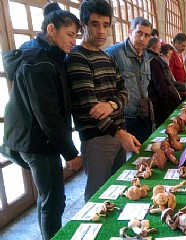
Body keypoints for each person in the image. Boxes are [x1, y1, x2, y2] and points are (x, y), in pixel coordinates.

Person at [3, 3, 82, 239]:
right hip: (37, 142)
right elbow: (48, 115)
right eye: (69, 35)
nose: (73, 41)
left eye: (76, 36)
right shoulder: (39, 61)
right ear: (51, 29)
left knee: (47, 199)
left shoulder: (42, 52)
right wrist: (70, 153)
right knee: (53, 201)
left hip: (31, 137)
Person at [65, 0, 141, 202]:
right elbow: (90, 107)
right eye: (95, 24)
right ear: (84, 25)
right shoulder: (77, 58)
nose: (101, 31)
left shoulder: (107, 57)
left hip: (118, 131)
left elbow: (124, 91)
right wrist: (119, 132)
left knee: (117, 189)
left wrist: (112, 104)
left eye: (105, 25)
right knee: (97, 196)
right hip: (97, 138)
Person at [106, 17, 153, 144]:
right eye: (139, 33)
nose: (142, 38)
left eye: (147, 35)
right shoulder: (113, 53)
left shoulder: (147, 56)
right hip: (123, 119)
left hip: (143, 116)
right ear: (130, 31)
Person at [147, 37, 181, 127]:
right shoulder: (153, 60)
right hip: (159, 100)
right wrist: (165, 100)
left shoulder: (153, 58)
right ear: (153, 48)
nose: (160, 51)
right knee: (165, 125)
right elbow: (160, 83)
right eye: (159, 48)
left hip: (159, 97)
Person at [169, 33, 186, 101]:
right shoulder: (171, 55)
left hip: (182, 86)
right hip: (177, 89)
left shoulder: (180, 54)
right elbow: (170, 75)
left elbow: (182, 67)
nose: (184, 48)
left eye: (185, 46)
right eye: (183, 46)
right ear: (175, 43)